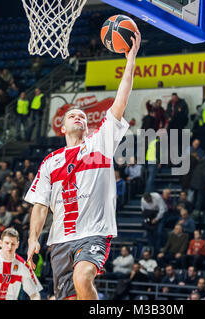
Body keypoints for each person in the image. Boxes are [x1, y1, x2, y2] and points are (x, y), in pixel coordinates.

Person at [24, 31, 140, 301]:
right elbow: (40, 205)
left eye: (82, 116)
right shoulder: (50, 162)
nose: (78, 116)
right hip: (59, 240)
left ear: (87, 127)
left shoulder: (100, 143)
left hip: (94, 234)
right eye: (71, 115)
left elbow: (120, 101)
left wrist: (131, 60)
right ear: (62, 127)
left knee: (82, 277)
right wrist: (32, 238)